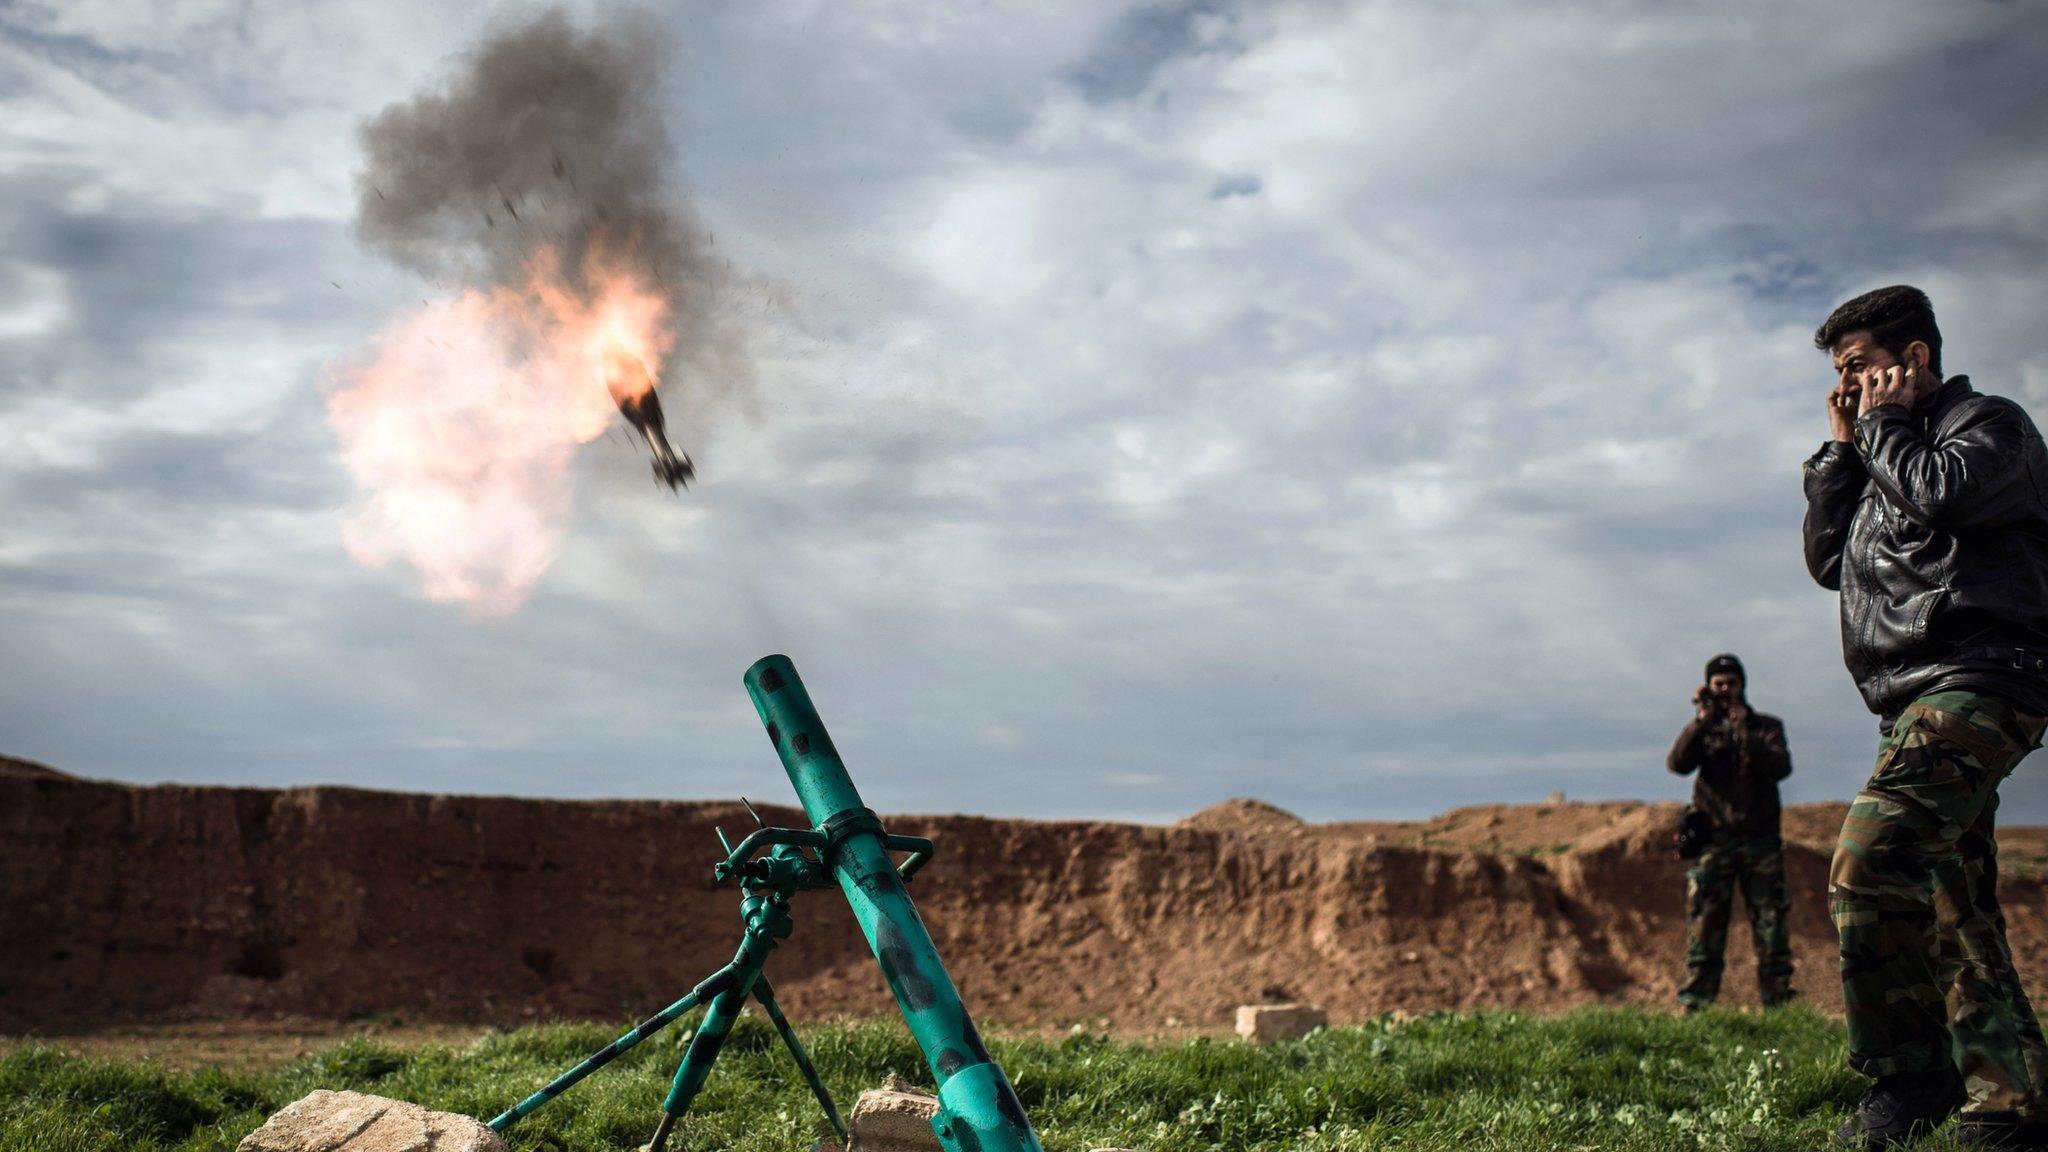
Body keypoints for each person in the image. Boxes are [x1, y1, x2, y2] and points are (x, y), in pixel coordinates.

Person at [1804, 285, 2048, 1149]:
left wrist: (1884, 430)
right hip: (1914, 694)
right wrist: (1844, 450)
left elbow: (1946, 497)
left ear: (1914, 359)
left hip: (1980, 677)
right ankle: (2010, 1102)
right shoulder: (1880, 446)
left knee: (1869, 867)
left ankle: (1910, 1082)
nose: (1850, 389)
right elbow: (1829, 560)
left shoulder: (1990, 427)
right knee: (1953, 897)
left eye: (1860, 367)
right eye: (1840, 378)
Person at [1667, 653, 1795, 1012]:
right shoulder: (1704, 729)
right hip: (1715, 842)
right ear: (1709, 687)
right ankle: (1696, 1003)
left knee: (1771, 927)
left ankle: (1779, 1004)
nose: (1725, 690)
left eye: (1731, 683)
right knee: (1705, 926)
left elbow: (1781, 766)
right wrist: (1702, 722)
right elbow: (1677, 764)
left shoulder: (1766, 727)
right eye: (1718, 684)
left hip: (1761, 843)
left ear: (1742, 686)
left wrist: (1744, 734)